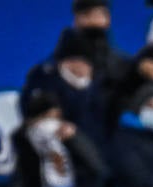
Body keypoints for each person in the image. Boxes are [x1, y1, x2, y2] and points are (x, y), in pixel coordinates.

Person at [11, 90, 105, 187]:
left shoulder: (71, 146)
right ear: (30, 121)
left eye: (57, 118)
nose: (52, 124)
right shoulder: (19, 145)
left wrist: (76, 139)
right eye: (45, 118)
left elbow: (98, 171)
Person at [22, 30, 109, 162]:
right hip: (53, 144)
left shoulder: (97, 85)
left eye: (86, 62)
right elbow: (34, 114)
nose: (81, 67)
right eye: (76, 60)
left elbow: (101, 122)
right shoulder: (44, 78)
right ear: (64, 60)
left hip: (94, 145)